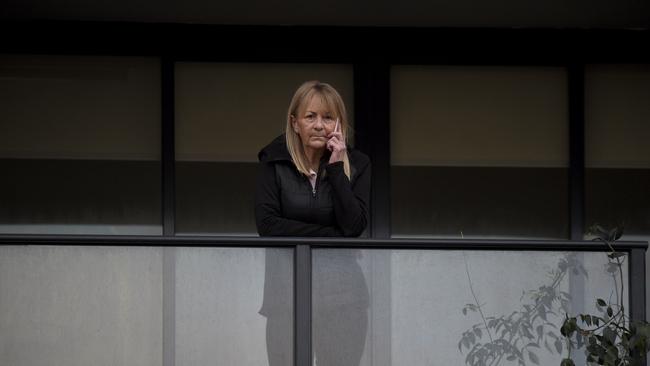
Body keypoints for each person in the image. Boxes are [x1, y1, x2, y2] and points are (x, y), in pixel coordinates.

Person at [255, 80, 370, 366]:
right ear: (295, 123)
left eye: (328, 117)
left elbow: (354, 226)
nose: (320, 125)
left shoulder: (358, 164)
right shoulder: (273, 161)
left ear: (339, 124)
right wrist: (333, 235)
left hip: (344, 299)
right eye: (311, 116)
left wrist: (335, 168)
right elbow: (268, 225)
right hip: (286, 299)